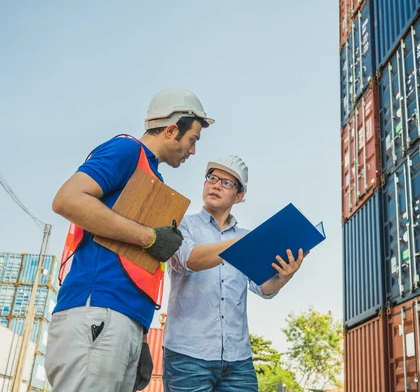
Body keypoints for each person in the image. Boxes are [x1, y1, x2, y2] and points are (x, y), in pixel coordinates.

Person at [45, 88, 215, 392]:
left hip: (122, 320)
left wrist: (139, 334)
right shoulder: (126, 151)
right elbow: (67, 200)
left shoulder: (153, 179)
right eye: (193, 140)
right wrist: (150, 237)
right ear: (171, 129)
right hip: (97, 310)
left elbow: (133, 263)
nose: (192, 151)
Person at [162, 155, 306, 392]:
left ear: (239, 196)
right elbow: (190, 259)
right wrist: (245, 244)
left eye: (226, 183)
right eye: (212, 178)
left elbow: (263, 288)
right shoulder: (183, 225)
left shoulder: (245, 237)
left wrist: (285, 275)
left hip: (238, 361)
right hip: (187, 357)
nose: (216, 185)